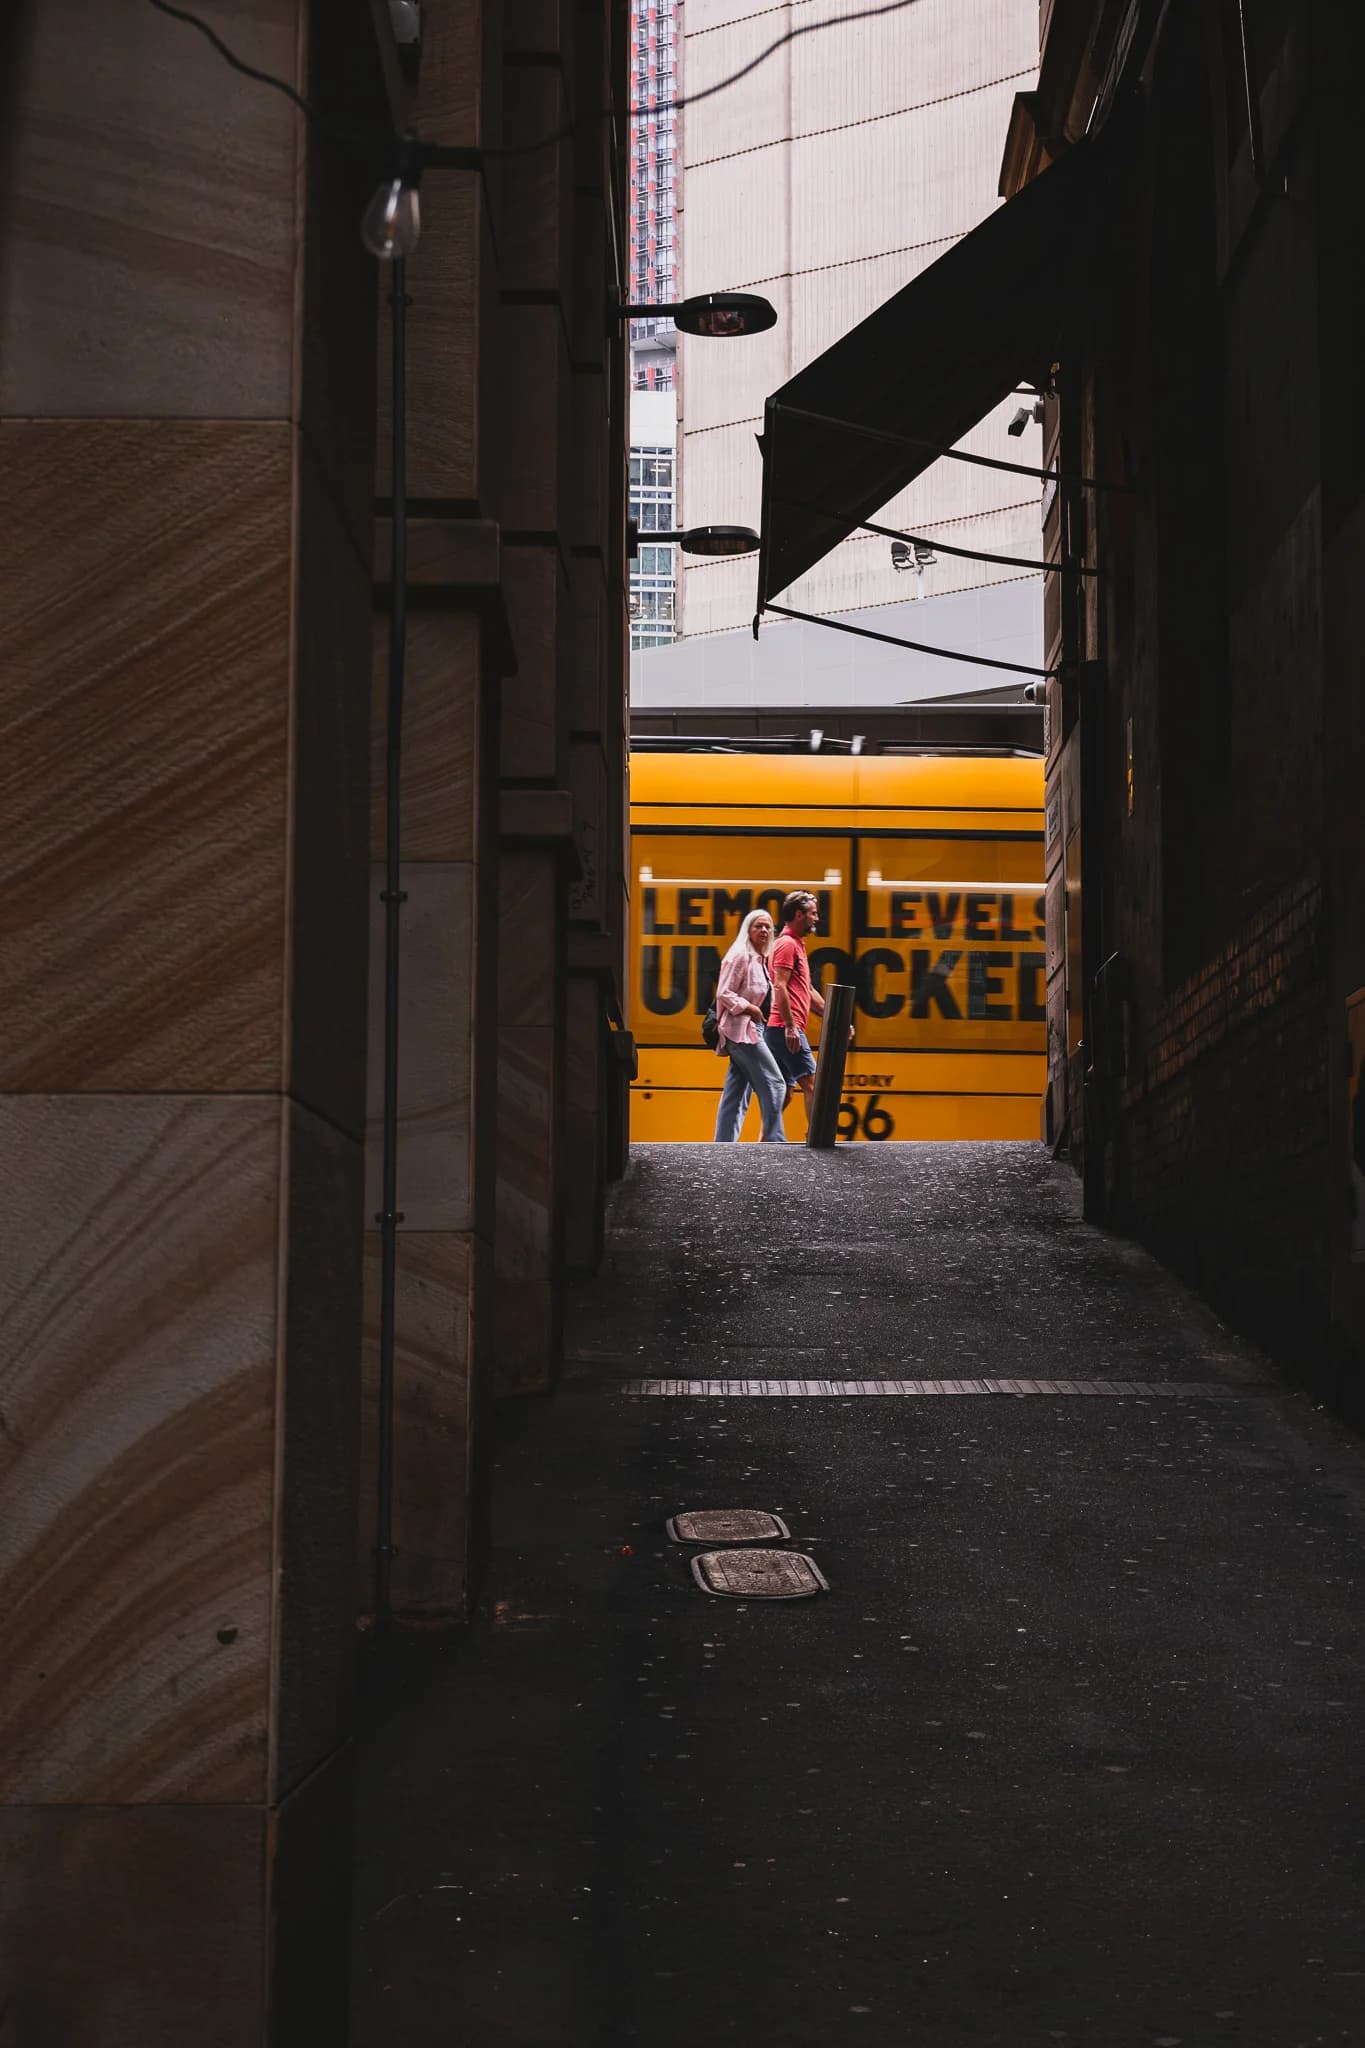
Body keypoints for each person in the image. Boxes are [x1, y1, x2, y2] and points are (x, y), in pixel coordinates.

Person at [765, 889, 850, 1124]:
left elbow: (808, 992)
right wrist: (791, 1027)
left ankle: (764, 1143)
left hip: (779, 1029)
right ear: (798, 914)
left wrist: (837, 1019)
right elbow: (779, 986)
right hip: (785, 1028)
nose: (817, 918)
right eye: (813, 913)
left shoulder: (796, 945)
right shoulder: (787, 945)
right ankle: (817, 1144)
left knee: (784, 1093)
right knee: (813, 1083)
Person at [712, 909, 789, 1143]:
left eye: (768, 927)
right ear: (748, 930)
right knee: (776, 1083)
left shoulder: (760, 961)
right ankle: (775, 1140)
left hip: (753, 1032)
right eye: (758, 926)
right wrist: (750, 1008)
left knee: (737, 1092)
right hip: (742, 1032)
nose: (764, 931)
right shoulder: (741, 956)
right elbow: (723, 992)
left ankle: (723, 1145)